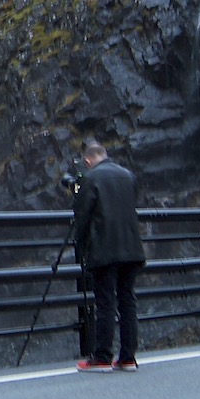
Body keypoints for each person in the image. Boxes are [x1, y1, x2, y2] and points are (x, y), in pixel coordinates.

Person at [69, 139, 146, 373]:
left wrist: (80, 246)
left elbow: (81, 214)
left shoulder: (91, 178)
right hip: (132, 248)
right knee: (127, 301)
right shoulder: (127, 175)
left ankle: (102, 356)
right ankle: (128, 357)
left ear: (87, 160)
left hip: (105, 249)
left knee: (105, 303)